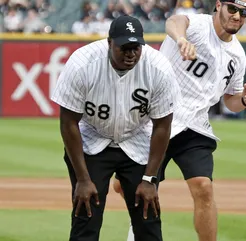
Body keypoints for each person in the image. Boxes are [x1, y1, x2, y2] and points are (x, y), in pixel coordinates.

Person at [112, 1, 246, 241]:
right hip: (157, 118)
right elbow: (174, 22)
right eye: (232, 8)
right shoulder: (198, 26)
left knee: (203, 187)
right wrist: (181, 39)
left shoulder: (238, 55)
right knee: (125, 186)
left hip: (195, 124)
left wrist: (244, 100)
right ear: (218, 5)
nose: (237, 16)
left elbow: (230, 101)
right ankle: (134, 206)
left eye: (243, 12)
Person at [51, 15, 179, 241]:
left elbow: (162, 125)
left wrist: (150, 179)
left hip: (137, 139)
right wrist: (82, 179)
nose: (131, 54)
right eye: (124, 48)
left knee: (148, 219)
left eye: (136, 48)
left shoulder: (158, 69)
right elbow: (68, 122)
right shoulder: (83, 64)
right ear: (109, 42)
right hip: (93, 139)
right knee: (86, 216)